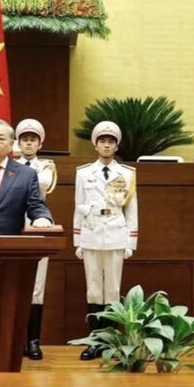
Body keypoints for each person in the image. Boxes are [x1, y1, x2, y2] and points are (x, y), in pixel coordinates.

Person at [72, 121, 138, 360]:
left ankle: (111, 342)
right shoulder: (83, 173)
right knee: (93, 290)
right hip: (91, 232)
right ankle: (94, 342)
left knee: (112, 290)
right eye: (102, 141)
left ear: (116, 145)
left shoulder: (127, 174)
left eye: (111, 141)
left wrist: (130, 242)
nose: (106, 145)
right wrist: (77, 239)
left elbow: (132, 209)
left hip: (116, 233)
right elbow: (78, 207)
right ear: (95, 144)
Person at [14, 118, 58, 361]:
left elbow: (44, 189)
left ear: (40, 143)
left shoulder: (46, 167)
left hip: (37, 226)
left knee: (36, 288)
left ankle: (32, 341)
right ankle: (14, 338)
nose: (29, 143)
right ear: (18, 142)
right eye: (24, 139)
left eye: (33, 139)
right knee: (14, 285)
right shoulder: (8, 165)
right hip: (12, 227)